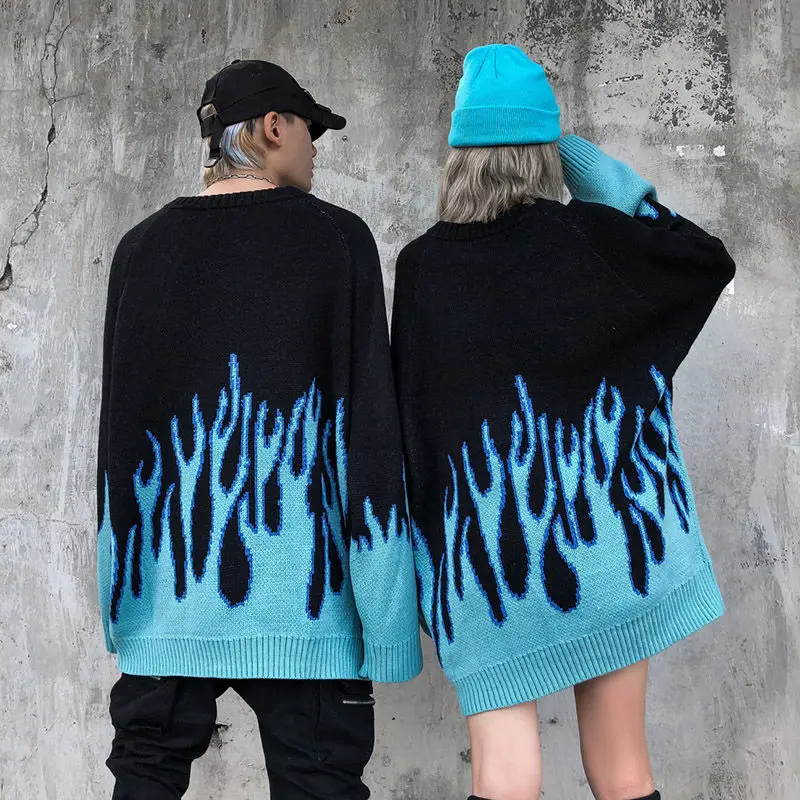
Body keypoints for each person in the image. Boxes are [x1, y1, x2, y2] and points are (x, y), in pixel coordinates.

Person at [390, 44, 735, 800]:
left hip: (488, 572)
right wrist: (577, 154)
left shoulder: (422, 267)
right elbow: (703, 259)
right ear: (543, 151)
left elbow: (416, 426)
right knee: (623, 768)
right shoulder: (592, 240)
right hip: (607, 551)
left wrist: (431, 576)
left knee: (505, 777)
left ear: (460, 154)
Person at [97, 58, 422, 800]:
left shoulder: (140, 249)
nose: (314, 148)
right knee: (319, 785)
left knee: (144, 777)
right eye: (311, 130)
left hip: (166, 604)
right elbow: (368, 437)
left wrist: (122, 602)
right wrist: (388, 623)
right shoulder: (336, 239)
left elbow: (118, 443)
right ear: (274, 126)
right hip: (308, 609)